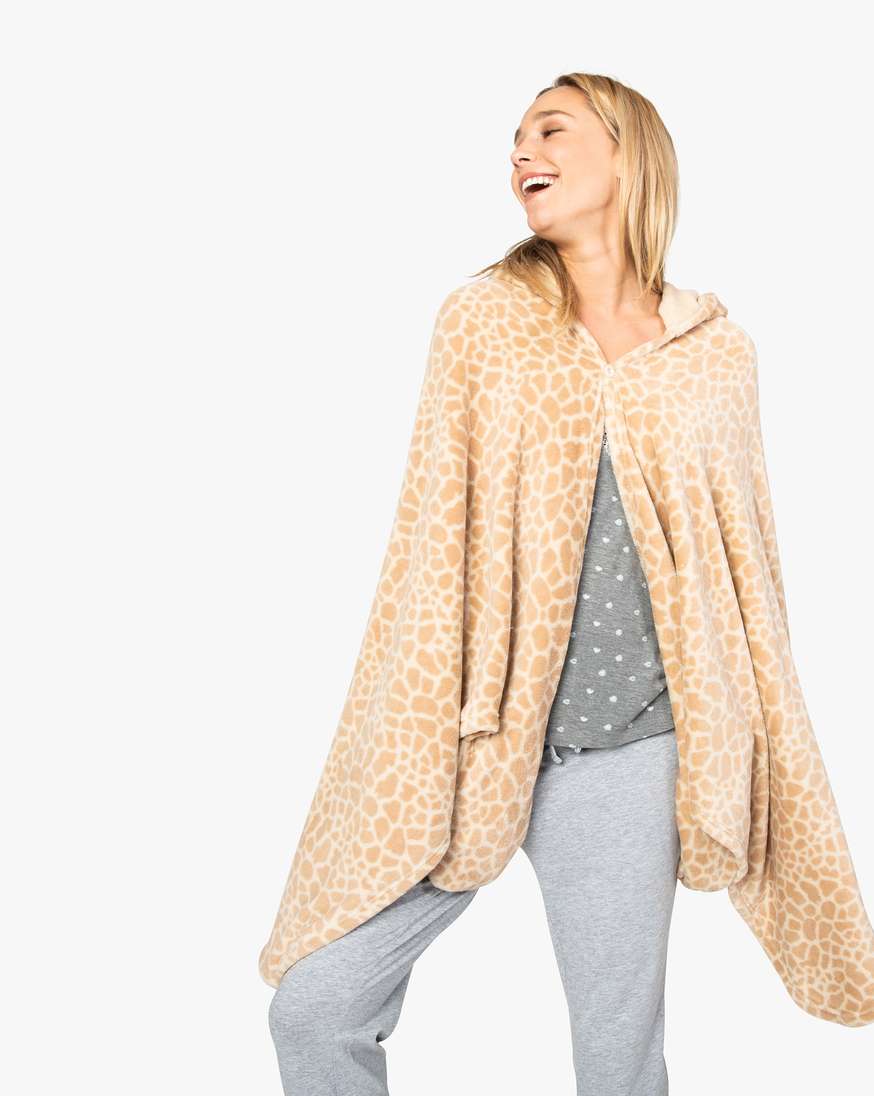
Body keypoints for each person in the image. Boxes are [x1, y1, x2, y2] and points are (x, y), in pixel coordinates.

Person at [262, 72, 874, 1095]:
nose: (521, 153)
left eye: (549, 129)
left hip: (630, 745)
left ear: (628, 155)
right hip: (473, 735)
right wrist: (419, 715)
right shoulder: (482, 322)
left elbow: (747, 572)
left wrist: (752, 736)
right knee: (315, 1007)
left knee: (616, 1056)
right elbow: (428, 533)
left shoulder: (716, 354)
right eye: (514, 139)